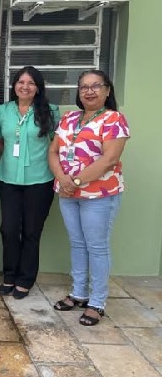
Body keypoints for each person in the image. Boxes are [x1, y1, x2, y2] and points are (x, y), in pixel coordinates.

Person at [49, 70, 129, 326]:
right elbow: (53, 151)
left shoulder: (113, 119)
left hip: (98, 195)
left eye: (96, 86)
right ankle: (79, 293)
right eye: (84, 86)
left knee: (97, 246)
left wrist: (75, 182)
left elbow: (109, 159)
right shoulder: (69, 118)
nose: (89, 91)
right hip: (67, 192)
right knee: (77, 243)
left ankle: (97, 302)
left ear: (107, 90)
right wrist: (62, 179)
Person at [0, 66, 60, 299]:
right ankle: (10, 275)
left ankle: (25, 280)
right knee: (9, 229)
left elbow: (56, 145)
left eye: (31, 83)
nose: (25, 86)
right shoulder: (3, 111)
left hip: (40, 180)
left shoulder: (51, 111)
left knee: (32, 231)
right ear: (14, 85)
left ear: (38, 87)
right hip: (8, 179)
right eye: (21, 82)